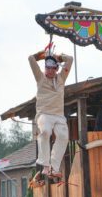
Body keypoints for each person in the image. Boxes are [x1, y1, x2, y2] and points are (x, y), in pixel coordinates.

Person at [29, 48, 73, 179]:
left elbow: (70, 59)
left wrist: (59, 56)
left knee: (63, 136)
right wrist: (41, 54)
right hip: (44, 114)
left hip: (58, 115)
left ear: (56, 69)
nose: (49, 71)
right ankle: (45, 165)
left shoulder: (61, 78)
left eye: (52, 68)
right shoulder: (40, 78)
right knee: (45, 131)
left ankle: (54, 167)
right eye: (47, 68)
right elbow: (31, 59)